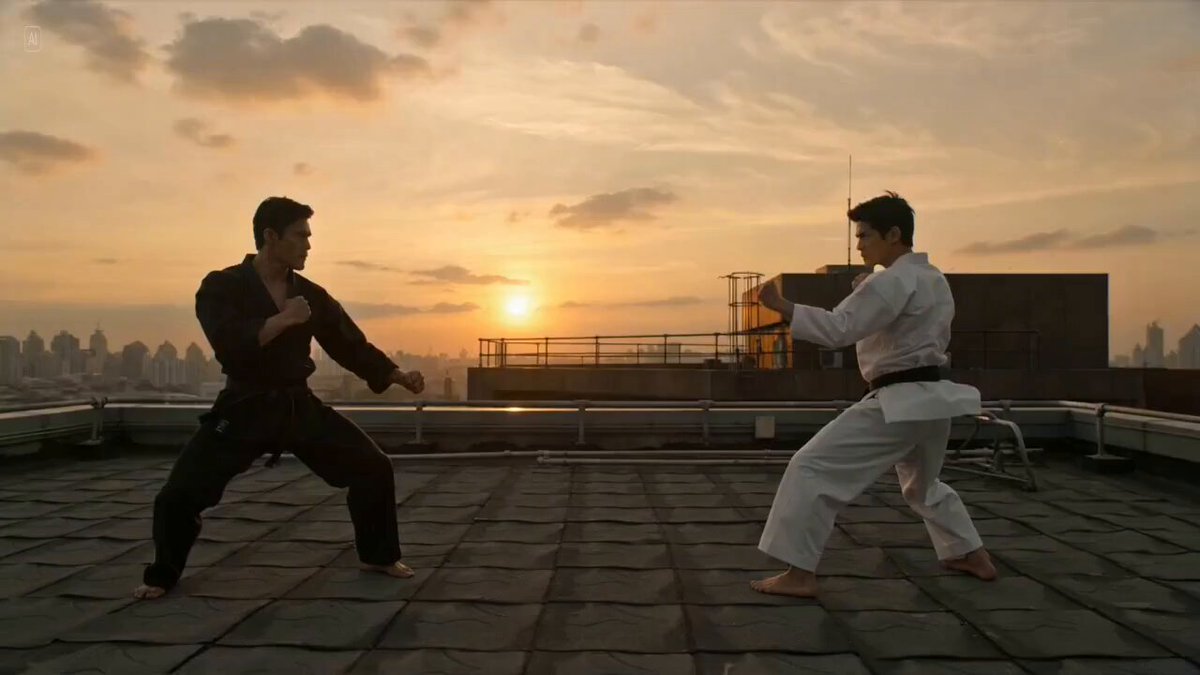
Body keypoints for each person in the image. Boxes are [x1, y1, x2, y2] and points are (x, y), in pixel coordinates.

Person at [133, 196, 425, 600]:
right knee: (179, 495)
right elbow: (228, 343)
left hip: (296, 406)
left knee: (372, 467)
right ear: (270, 236)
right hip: (245, 407)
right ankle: (161, 576)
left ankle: (378, 555)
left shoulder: (310, 294)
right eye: (300, 235)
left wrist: (394, 374)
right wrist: (285, 318)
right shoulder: (222, 285)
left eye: (309, 237)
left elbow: (348, 343)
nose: (308, 245)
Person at [752, 191, 996, 598]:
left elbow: (838, 329)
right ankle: (970, 553)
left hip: (898, 400)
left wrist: (783, 305)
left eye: (865, 235)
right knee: (923, 486)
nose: (859, 243)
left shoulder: (892, 281)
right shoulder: (932, 279)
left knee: (810, 467)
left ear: (894, 234)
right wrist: (868, 288)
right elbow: (904, 330)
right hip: (933, 399)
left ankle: (799, 573)